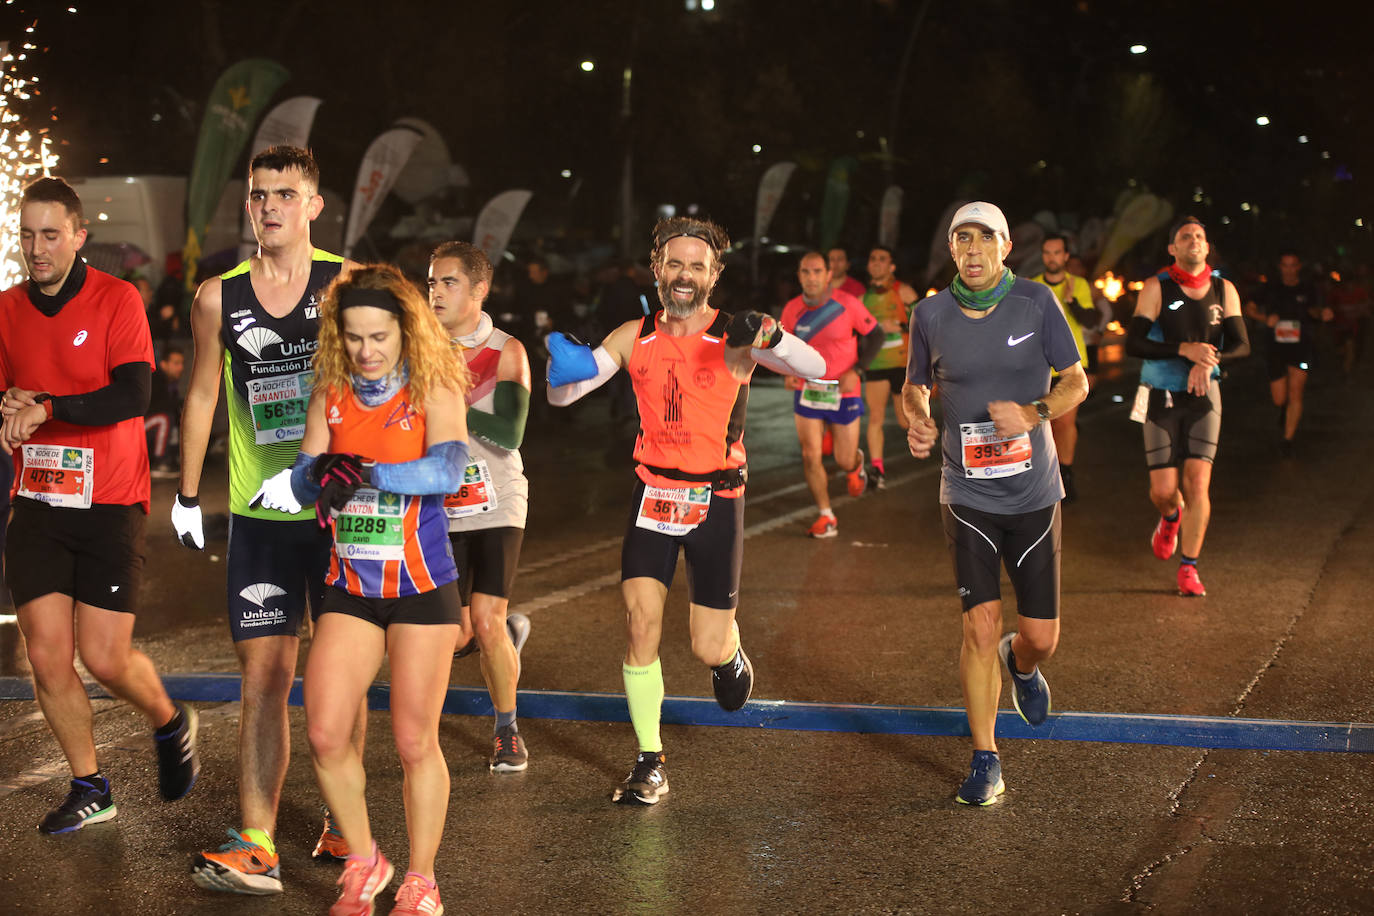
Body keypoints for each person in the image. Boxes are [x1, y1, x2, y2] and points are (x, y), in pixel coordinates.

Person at [546, 217, 825, 804]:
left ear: (713, 275)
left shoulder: (735, 335)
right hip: (653, 494)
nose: (684, 275)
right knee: (640, 623)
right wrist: (562, 372)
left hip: (715, 498)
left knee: (705, 645)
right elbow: (565, 396)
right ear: (657, 268)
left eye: (697, 266)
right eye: (674, 263)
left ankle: (727, 651)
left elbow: (816, 368)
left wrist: (773, 335)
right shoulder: (634, 335)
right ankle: (649, 760)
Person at [253, 263, 469, 916]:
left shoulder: (433, 385)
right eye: (354, 338)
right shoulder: (332, 391)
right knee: (324, 732)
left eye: (379, 337)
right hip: (349, 585)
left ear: (404, 330)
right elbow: (304, 476)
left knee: (413, 741)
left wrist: (367, 470)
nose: (367, 351)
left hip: (421, 588)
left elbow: (448, 470)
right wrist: (319, 473)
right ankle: (366, 860)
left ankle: (422, 880)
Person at [177, 146, 362, 894]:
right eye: (258, 195)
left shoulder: (348, 284)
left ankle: (347, 823)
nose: (269, 206)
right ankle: (257, 843)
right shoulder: (216, 297)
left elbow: (382, 384)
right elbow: (201, 395)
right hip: (259, 515)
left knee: (340, 674)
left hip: (338, 509)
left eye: (285, 194)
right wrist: (187, 494)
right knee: (264, 675)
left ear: (314, 206)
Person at [0, 176, 199, 833]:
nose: (37, 248)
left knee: (106, 657)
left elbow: (134, 395)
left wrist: (47, 408)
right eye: (27, 235)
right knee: (46, 656)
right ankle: (90, 785)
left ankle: (169, 720)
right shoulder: (6, 309)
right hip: (36, 502)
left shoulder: (117, 299)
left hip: (109, 500)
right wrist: (7, 409)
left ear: (79, 236)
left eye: (50, 235)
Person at [904, 201, 1087, 806]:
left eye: (986, 238)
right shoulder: (929, 313)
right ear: (952, 249)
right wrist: (918, 419)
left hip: (1034, 494)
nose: (973, 249)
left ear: (1006, 247)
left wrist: (1034, 413)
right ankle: (986, 757)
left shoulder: (1037, 302)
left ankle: (1023, 664)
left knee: (1041, 636)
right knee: (978, 626)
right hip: (967, 493)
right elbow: (914, 386)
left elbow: (1076, 380)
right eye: (963, 239)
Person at [427, 241, 534, 773]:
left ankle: (507, 730)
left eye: (448, 282)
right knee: (451, 634)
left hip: (497, 502)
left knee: (486, 620)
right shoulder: (416, 348)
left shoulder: (506, 351)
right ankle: (507, 637)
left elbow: (510, 432)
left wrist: (450, 401)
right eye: (431, 282)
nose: (436, 292)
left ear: (479, 289)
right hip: (439, 505)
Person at [1126, 217, 1249, 597]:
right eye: (1185, 236)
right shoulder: (1156, 287)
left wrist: (1208, 360)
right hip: (1158, 394)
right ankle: (1170, 517)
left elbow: (1242, 345)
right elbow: (1134, 344)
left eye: (1200, 235)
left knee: (1197, 482)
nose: (1194, 240)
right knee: (1163, 491)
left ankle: (1189, 568)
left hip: (1204, 396)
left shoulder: (1224, 289)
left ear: (1207, 247)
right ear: (1173, 249)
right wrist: (1184, 350)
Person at [782, 251, 885, 537]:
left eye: (817, 271)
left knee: (843, 459)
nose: (811, 277)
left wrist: (857, 371)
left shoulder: (847, 303)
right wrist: (787, 372)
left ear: (828, 274)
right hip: (808, 389)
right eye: (805, 272)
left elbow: (876, 335)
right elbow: (783, 348)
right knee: (810, 455)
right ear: (799, 275)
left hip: (844, 390)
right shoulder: (791, 309)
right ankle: (826, 516)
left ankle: (855, 465)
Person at [1030, 234, 1100, 503]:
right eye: (1047, 252)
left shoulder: (1078, 284)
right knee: (1041, 423)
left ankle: (1065, 474)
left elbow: (1091, 320)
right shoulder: (1033, 286)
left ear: (1066, 256)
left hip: (1071, 366)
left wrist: (1072, 301)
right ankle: (1045, 476)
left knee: (1065, 422)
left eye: (1057, 252)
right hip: (1040, 367)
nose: (1052, 258)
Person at [1243, 252, 1332, 455]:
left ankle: (1287, 440)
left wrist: (1323, 314)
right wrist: (1265, 319)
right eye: (1285, 265)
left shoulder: (1308, 288)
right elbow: (1249, 308)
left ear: (1299, 267)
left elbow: (1315, 310)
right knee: (1279, 398)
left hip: (1301, 346)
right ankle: (1284, 409)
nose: (1289, 269)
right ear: (1280, 267)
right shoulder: (1270, 287)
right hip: (1276, 347)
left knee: (1296, 392)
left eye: (1293, 265)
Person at [861, 246, 918, 489]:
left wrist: (901, 327)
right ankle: (877, 470)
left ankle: (941, 447)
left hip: (902, 364)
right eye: (873, 259)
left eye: (882, 259)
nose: (876, 263)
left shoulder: (903, 291)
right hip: (875, 363)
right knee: (875, 417)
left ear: (891, 266)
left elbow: (924, 323)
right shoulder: (863, 298)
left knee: (906, 421)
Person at [146, 345, 185, 478]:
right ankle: (159, 463)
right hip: (137, 427)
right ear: (164, 364)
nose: (180, 367)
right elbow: (158, 407)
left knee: (177, 418)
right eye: (176, 363)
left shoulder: (172, 383)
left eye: (181, 363)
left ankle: (172, 459)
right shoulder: (155, 379)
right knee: (164, 419)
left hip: (151, 426)